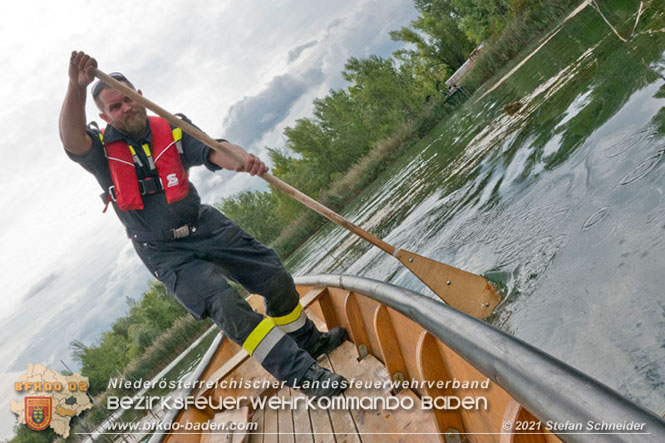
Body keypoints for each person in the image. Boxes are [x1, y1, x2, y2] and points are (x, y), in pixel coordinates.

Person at [59, 51, 348, 397]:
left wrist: (240, 160)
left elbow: (214, 149)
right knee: (229, 307)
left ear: (139, 94)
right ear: (105, 116)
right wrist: (76, 88)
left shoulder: (172, 125)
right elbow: (70, 139)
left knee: (272, 274)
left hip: (202, 224)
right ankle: (304, 376)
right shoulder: (100, 150)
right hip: (164, 252)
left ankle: (308, 341)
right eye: (115, 107)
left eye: (128, 99)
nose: (126, 108)